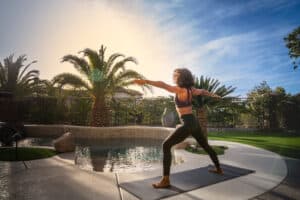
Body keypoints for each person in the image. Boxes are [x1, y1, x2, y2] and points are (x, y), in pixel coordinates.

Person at [132, 68, 223, 189]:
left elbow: (163, 85)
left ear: (182, 77)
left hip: (188, 123)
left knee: (166, 145)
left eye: (176, 75)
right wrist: (213, 95)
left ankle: (165, 180)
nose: (173, 76)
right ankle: (218, 169)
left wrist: (145, 81)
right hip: (194, 122)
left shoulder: (180, 90)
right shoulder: (191, 90)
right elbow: (203, 91)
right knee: (205, 145)